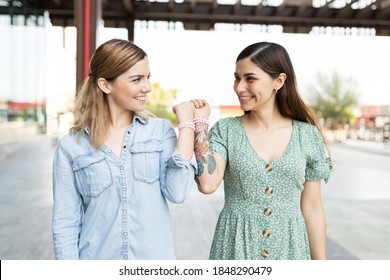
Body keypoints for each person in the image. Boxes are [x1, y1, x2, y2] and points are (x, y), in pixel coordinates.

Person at [52, 39, 197, 260]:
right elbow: (65, 224)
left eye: (147, 77)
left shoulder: (159, 132)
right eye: (136, 79)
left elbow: (177, 193)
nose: (147, 87)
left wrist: (187, 126)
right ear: (105, 85)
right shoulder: (71, 147)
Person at [192, 42, 332, 260]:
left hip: (290, 249)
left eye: (250, 78)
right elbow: (208, 184)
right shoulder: (226, 130)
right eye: (237, 78)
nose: (239, 87)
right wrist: (200, 124)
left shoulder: (308, 136)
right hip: (236, 246)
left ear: (279, 81)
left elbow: (312, 207)